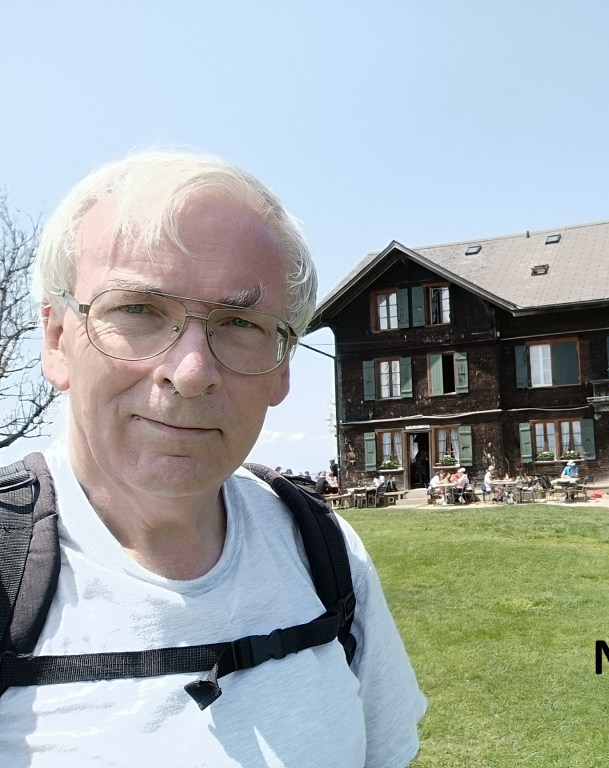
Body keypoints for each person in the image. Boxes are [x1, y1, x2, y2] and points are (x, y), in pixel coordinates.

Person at [4, 150, 426, 766]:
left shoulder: (325, 551)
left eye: (239, 322)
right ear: (55, 339)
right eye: (138, 310)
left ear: (282, 367)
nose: (191, 371)